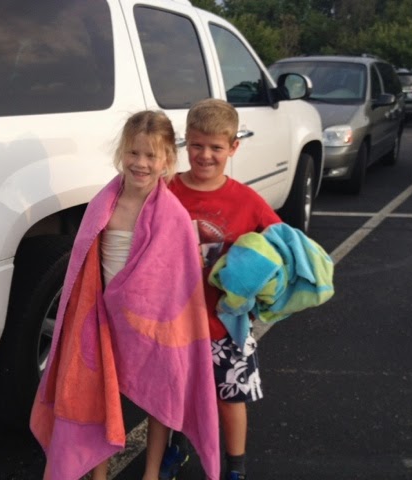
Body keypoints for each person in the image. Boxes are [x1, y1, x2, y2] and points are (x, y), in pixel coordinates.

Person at [30, 111, 220, 480]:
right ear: (122, 152)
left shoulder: (173, 216)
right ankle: (99, 474)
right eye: (133, 153)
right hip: (102, 319)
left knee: (161, 395)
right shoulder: (104, 203)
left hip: (153, 326)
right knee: (98, 393)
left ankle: (151, 472)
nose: (141, 163)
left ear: (167, 159)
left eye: (151, 155)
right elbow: (84, 267)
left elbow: (176, 281)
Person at [162, 98, 282, 480]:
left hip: (227, 324)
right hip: (174, 319)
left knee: (231, 399)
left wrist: (262, 285)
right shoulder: (165, 190)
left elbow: (280, 245)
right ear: (186, 140)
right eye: (197, 145)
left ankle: (236, 467)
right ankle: (177, 448)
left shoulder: (247, 201)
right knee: (176, 394)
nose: (205, 155)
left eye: (216, 147)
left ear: (233, 147)